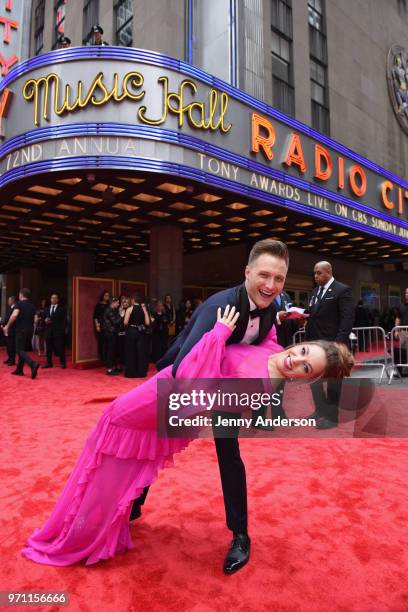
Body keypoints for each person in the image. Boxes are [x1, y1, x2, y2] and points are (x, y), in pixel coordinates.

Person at [21, 305, 353, 568]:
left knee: (111, 457)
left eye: (306, 368)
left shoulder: (259, 389)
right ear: (304, 342)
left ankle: (82, 534)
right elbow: (263, 338)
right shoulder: (275, 350)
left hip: (162, 403)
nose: (297, 360)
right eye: (306, 351)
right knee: (120, 462)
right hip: (163, 389)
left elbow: (201, 391)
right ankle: (101, 523)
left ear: (305, 381)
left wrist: (218, 334)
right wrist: (277, 315)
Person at [142, 239, 291, 574]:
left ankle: (240, 535)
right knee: (156, 443)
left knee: (229, 452)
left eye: (278, 279)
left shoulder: (271, 305)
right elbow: (183, 367)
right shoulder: (219, 307)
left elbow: (260, 344)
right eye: (264, 275)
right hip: (183, 379)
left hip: (224, 383)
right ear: (247, 272)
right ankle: (134, 502)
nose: (270, 285)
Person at [305, 261, 354, 429]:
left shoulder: (342, 290)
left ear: (328, 272)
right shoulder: (314, 292)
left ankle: (332, 417)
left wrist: (337, 343)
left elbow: (347, 320)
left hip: (333, 344)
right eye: (314, 273)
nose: (315, 276)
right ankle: (320, 410)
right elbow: (313, 316)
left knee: (333, 382)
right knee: (314, 380)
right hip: (314, 345)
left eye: (318, 273)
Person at [2, 288, 39, 379]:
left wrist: (7, 326)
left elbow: (14, 315)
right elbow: (35, 320)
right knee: (23, 349)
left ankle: (32, 363)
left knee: (19, 350)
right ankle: (19, 370)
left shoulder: (19, 304)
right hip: (30, 331)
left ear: (21, 295)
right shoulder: (32, 306)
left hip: (21, 330)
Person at [123, 294, 151, 378]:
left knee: (131, 352)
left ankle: (131, 373)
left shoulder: (129, 309)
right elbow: (147, 323)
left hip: (132, 331)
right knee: (140, 353)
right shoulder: (143, 309)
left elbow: (125, 322)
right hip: (141, 333)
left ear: (133, 300)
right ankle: (141, 373)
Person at [43, 294, 67, 369]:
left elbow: (64, 321)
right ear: (50, 299)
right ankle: (49, 363)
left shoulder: (61, 309)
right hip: (48, 331)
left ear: (57, 300)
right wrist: (45, 320)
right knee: (48, 348)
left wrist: (62, 330)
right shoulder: (47, 309)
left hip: (58, 332)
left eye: (55, 298)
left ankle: (63, 363)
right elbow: (44, 318)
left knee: (60, 347)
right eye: (52, 298)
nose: (53, 299)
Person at [103, 296, 122, 376]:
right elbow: (115, 322)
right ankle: (109, 369)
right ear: (113, 303)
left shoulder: (112, 310)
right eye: (117, 303)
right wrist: (121, 315)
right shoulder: (109, 311)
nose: (118, 304)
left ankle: (112, 367)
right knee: (110, 351)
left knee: (113, 350)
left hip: (112, 333)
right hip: (110, 333)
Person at [93, 290, 110, 364]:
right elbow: (95, 317)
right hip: (101, 325)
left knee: (108, 343)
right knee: (102, 343)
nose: (107, 297)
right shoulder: (99, 305)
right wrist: (97, 326)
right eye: (105, 295)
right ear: (102, 296)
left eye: (108, 295)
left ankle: (108, 359)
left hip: (109, 326)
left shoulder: (110, 304)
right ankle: (103, 359)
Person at [394, 288, 408, 376]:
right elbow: (398, 318)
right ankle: (405, 371)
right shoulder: (401, 306)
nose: (407, 294)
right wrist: (396, 330)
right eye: (406, 292)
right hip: (403, 332)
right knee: (403, 351)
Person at [3, 296, 17, 365]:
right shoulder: (10, 308)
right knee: (8, 345)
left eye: (9, 300)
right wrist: (3, 325)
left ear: (13, 301)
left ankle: (12, 360)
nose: (8, 302)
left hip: (13, 329)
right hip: (8, 329)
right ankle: (9, 358)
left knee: (12, 345)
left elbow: (13, 319)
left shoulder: (15, 308)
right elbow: (7, 318)